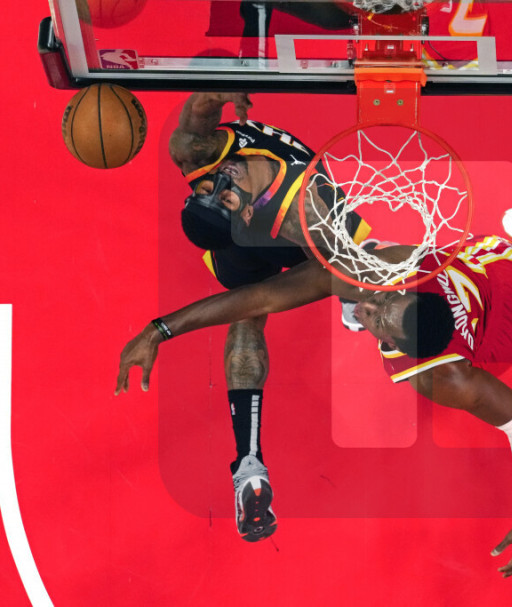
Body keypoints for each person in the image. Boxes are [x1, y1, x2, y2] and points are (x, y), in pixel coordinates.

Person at [116, 206, 512, 577]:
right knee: (490, 249)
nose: (371, 306)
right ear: (405, 287)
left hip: (501, 314)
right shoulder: (388, 270)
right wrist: (161, 329)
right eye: (382, 300)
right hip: (466, 268)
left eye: (377, 319)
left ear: (399, 348)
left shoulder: (442, 378)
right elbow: (261, 297)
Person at [168, 92, 372, 542]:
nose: (218, 184)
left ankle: (248, 466)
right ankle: (249, 464)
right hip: (280, 234)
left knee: (321, 274)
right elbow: (331, 264)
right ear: (242, 213)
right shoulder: (305, 214)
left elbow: (199, 106)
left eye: (208, 188)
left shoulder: (194, 152)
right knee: (255, 308)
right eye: (221, 198)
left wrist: (222, 92)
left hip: (288, 232)